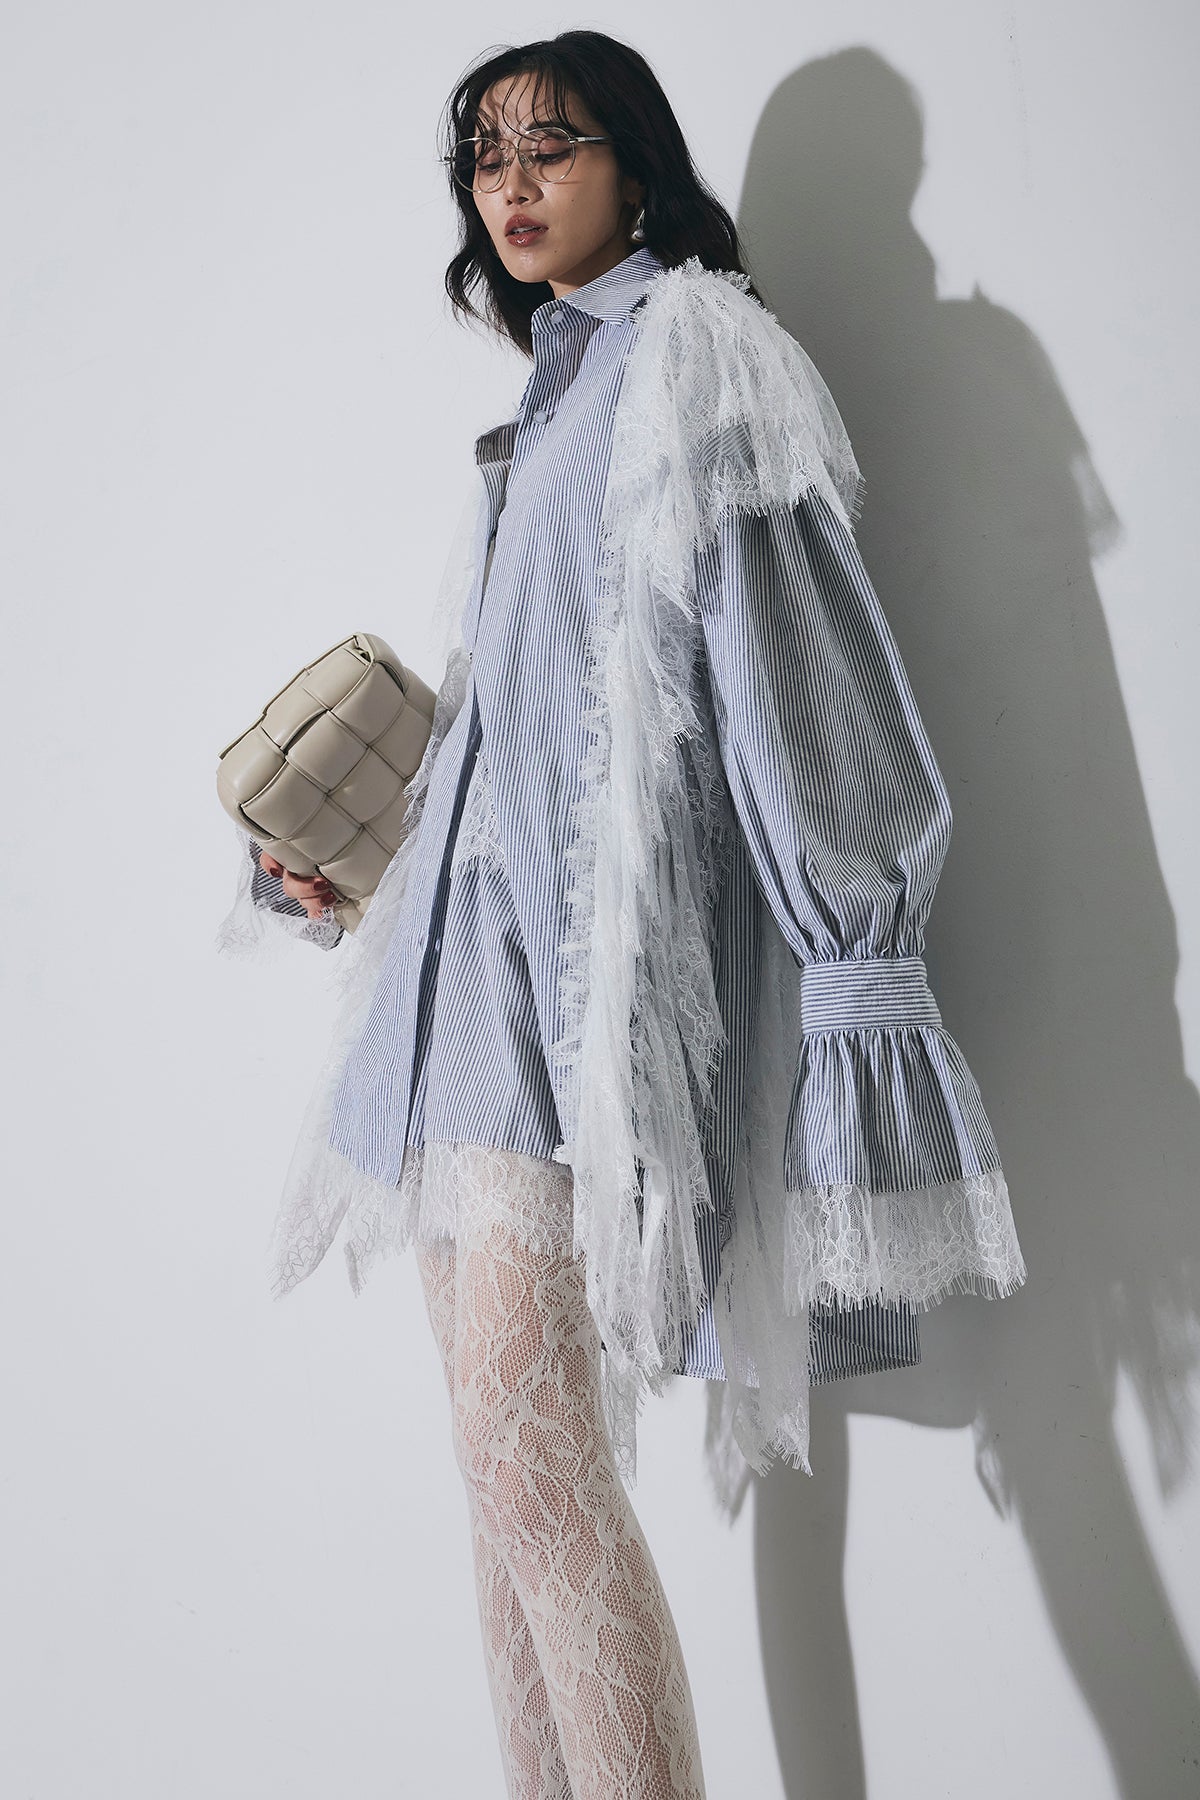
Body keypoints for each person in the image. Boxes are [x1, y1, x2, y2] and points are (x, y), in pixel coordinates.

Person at [222, 29, 1027, 1799]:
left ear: (637, 168)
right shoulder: (547, 401)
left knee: (537, 1479)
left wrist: (862, 961)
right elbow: (521, 742)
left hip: (567, 1003)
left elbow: (806, 681)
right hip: (457, 996)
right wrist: (355, 864)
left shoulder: (696, 354)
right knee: (501, 1490)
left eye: (553, 146)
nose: (510, 185)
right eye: (485, 156)